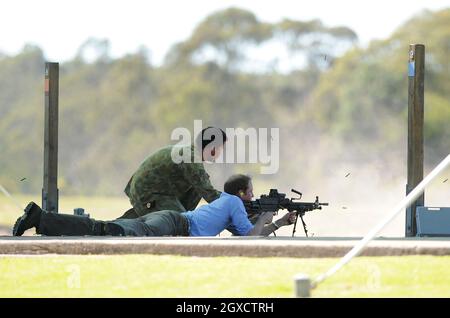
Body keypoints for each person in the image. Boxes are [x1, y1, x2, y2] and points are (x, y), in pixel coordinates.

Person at [13, 174, 295, 237]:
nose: (252, 197)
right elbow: (251, 237)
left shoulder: (228, 204)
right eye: (251, 193)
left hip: (169, 218)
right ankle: (42, 219)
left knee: (101, 228)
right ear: (241, 193)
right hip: (175, 224)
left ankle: (41, 218)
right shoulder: (233, 201)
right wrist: (269, 214)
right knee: (114, 234)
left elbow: (244, 235)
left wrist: (279, 222)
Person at [119, 126, 227, 219]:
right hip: (148, 194)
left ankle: (111, 227)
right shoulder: (190, 157)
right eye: (221, 148)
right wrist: (234, 204)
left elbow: (204, 187)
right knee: (180, 223)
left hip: (157, 192)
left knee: (195, 191)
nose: (220, 153)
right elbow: (210, 194)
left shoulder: (191, 153)